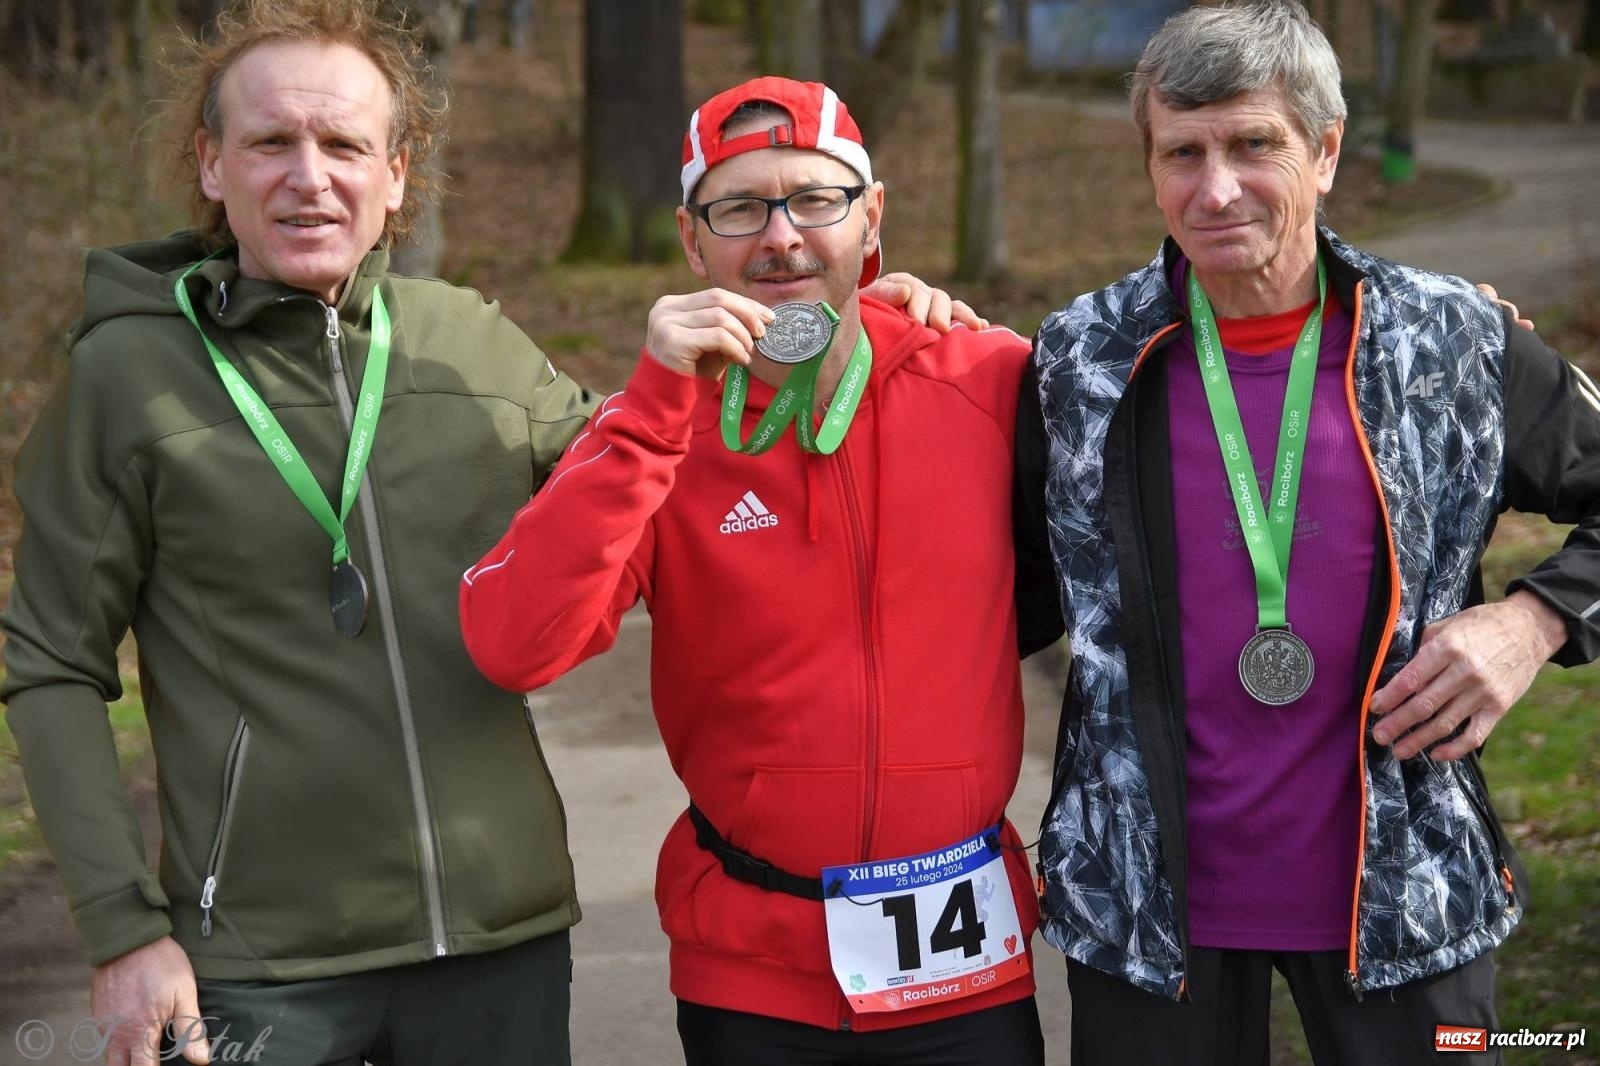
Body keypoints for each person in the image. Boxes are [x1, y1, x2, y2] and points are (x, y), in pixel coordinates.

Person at [0, 6, 960, 1064]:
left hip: (501, 945)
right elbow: (50, 663)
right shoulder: (125, 381)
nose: (310, 177)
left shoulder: (466, 340)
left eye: (346, 145)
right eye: (272, 142)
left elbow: (663, 476)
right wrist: (122, 927)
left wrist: (857, 334)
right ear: (211, 164)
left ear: (397, 174)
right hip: (261, 960)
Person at [1013, 2, 1600, 1064]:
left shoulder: (1447, 339)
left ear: (1324, 152)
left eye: (1253, 144)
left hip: (1411, 897)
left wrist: (1534, 620)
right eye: (1181, 152)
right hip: (1145, 914)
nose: (1215, 187)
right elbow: (992, 591)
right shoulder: (1076, 362)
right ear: (1149, 167)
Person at [460, 77, 1046, 1065]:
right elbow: (513, 643)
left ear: (872, 220)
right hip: (753, 968)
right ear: (693, 241)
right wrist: (648, 411)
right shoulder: (654, 430)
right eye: (739, 207)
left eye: (815, 199)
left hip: (965, 959)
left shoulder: (986, 378)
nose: (779, 235)